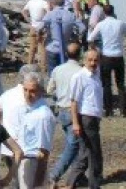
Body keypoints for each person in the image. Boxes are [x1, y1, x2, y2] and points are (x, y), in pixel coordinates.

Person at [64, 49, 104, 189]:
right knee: (94, 154)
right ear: (84, 60)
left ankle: (70, 182)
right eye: (90, 60)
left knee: (85, 153)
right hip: (86, 118)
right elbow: (74, 101)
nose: (93, 63)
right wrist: (75, 123)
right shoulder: (79, 77)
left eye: (95, 60)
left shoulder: (96, 74)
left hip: (94, 118)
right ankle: (94, 185)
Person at [47, 43, 81, 186]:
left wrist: (60, 94)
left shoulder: (57, 70)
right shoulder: (81, 71)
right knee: (73, 145)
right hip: (74, 111)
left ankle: (77, 175)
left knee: (71, 143)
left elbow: (49, 90)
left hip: (61, 110)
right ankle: (54, 174)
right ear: (80, 54)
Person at [15, 72, 55, 189]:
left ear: (41, 91)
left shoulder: (43, 115)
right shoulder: (30, 108)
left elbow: (44, 152)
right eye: (25, 90)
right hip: (23, 161)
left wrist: (38, 182)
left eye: (32, 91)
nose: (27, 95)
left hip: (32, 163)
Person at [87, 4, 126, 117]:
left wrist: (95, 48)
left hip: (106, 56)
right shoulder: (120, 23)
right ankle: (123, 110)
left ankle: (108, 110)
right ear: (113, 12)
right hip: (119, 55)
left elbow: (90, 38)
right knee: (120, 83)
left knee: (106, 84)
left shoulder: (101, 24)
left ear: (104, 13)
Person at [41, 0, 79, 73]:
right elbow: (82, 28)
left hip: (52, 46)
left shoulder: (50, 14)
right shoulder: (71, 15)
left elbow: (40, 27)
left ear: (53, 3)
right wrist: (74, 36)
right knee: (64, 71)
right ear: (64, 3)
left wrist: (46, 32)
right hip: (66, 47)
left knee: (52, 71)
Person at [23, 0, 50, 69]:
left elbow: (23, 11)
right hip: (42, 27)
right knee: (42, 47)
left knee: (32, 47)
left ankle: (29, 64)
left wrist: (28, 20)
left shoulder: (30, 2)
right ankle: (43, 67)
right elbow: (49, 13)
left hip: (33, 27)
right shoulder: (44, 2)